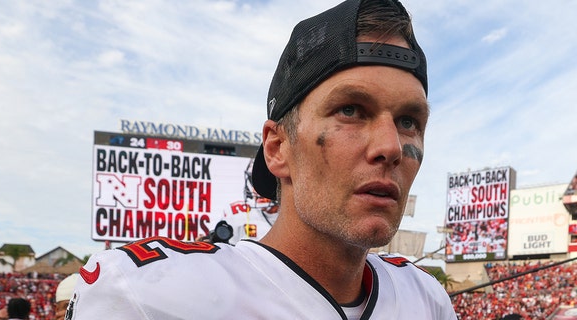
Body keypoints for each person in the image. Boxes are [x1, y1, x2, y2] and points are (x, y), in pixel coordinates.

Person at [68, 0, 456, 318]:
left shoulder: (426, 300)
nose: (389, 147)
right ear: (277, 148)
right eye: (351, 111)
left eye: (408, 121)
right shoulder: (146, 295)